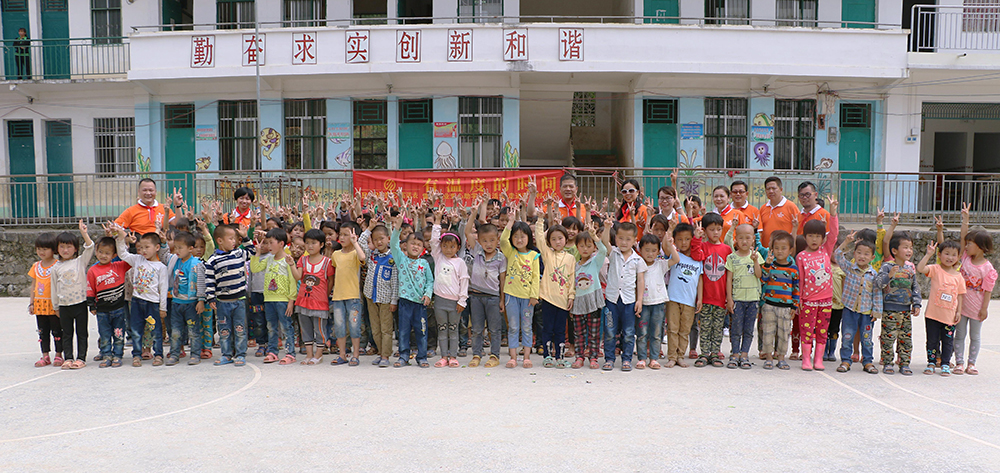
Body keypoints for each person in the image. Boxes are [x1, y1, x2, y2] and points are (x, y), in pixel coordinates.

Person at [109, 222, 169, 367]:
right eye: (141, 247)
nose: (143, 250)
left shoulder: (161, 267)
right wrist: (120, 238)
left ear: (157, 247)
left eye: (147, 247)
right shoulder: (137, 260)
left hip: (153, 303)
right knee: (136, 330)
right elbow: (123, 254)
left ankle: (158, 354)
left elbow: (163, 288)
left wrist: (163, 307)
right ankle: (137, 355)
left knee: (155, 330)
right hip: (137, 301)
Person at [795, 196, 840, 371]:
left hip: (826, 301)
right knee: (806, 330)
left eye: (818, 237)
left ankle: (818, 360)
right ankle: (806, 359)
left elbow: (834, 234)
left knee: (822, 331)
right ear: (805, 237)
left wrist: (833, 214)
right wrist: (799, 299)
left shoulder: (826, 251)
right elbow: (800, 279)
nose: (814, 240)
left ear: (822, 238)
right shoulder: (801, 257)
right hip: (808, 301)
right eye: (810, 236)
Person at [205, 224, 256, 367]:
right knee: (224, 330)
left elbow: (252, 251)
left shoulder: (239, 253)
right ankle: (226, 354)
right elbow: (210, 281)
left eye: (235, 238)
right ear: (220, 241)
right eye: (231, 238)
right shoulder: (212, 260)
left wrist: (245, 237)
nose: (234, 241)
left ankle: (240, 354)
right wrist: (210, 297)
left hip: (239, 300)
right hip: (222, 303)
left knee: (240, 329)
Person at [954, 204, 995, 375]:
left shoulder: (988, 268)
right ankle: (959, 362)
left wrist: (984, 309)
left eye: (970, 244)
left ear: (980, 246)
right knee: (959, 335)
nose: (966, 246)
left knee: (975, 336)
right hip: (960, 306)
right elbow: (963, 237)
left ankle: (971, 363)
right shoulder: (965, 258)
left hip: (977, 308)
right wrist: (965, 220)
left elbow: (988, 291)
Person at [834, 233, 883, 374]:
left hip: (867, 313)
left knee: (867, 338)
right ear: (854, 254)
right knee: (847, 336)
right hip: (849, 310)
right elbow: (837, 255)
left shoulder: (874, 275)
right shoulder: (849, 268)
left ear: (872, 257)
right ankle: (845, 360)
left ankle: (867, 361)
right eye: (859, 252)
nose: (862, 256)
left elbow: (877, 294)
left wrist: (877, 311)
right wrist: (846, 242)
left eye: (866, 254)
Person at [389, 214, 434, 368]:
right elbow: (393, 244)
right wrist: (397, 227)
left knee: (421, 331)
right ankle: (403, 356)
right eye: (412, 243)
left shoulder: (424, 263)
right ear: (406, 245)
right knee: (403, 331)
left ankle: (422, 357)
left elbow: (430, 281)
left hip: (420, 304)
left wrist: (428, 294)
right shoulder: (401, 259)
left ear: (423, 248)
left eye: (419, 245)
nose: (415, 247)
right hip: (405, 303)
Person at [463, 212, 507, 369]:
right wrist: (473, 213)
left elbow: (502, 280)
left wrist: (502, 299)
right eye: (485, 241)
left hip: (493, 298)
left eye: (492, 240)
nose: (489, 244)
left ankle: (494, 355)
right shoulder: (477, 251)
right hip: (476, 297)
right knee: (477, 328)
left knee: (494, 329)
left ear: (497, 240)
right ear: (479, 241)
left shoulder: (501, 258)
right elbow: (467, 232)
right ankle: (477, 354)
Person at [51, 220, 96, 370]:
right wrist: (56, 306)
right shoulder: (55, 268)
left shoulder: (80, 262)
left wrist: (84, 233)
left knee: (81, 332)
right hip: (64, 306)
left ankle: (81, 358)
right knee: (67, 333)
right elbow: (54, 288)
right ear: (57, 248)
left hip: (80, 303)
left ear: (75, 248)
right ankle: (68, 357)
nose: (65, 250)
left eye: (69, 246)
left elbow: (90, 247)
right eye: (62, 247)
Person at [874, 233, 921, 376]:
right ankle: (888, 363)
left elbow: (915, 287)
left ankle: (904, 363)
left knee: (905, 339)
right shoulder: (887, 267)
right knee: (888, 338)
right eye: (905, 247)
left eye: (910, 248)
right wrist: (889, 276)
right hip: (890, 310)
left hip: (905, 311)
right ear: (894, 251)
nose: (909, 251)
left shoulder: (910, 269)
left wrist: (916, 304)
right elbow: (878, 283)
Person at [250, 228, 298, 365]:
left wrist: (291, 300)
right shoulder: (269, 259)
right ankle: (273, 352)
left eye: (271, 243)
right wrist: (257, 253)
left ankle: (290, 353)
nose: (268, 246)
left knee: (286, 327)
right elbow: (255, 268)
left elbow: (292, 281)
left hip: (283, 300)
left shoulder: (287, 260)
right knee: (271, 327)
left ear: (281, 244)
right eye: (267, 243)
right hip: (269, 299)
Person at [601, 221, 645, 372]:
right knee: (610, 331)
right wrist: (607, 228)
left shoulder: (638, 260)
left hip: (629, 301)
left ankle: (626, 359)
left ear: (634, 240)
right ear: (616, 239)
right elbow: (604, 241)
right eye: (620, 238)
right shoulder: (613, 253)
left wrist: (639, 300)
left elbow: (640, 281)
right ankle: (609, 359)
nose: (624, 242)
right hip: (612, 300)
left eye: (628, 239)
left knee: (628, 332)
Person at [917, 240, 965, 377]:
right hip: (933, 314)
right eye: (946, 253)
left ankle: (945, 364)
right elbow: (920, 268)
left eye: (954, 255)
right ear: (939, 254)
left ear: (958, 257)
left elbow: (960, 295)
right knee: (932, 341)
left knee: (948, 341)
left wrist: (959, 311)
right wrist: (928, 254)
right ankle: (931, 362)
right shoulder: (935, 269)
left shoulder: (959, 277)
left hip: (949, 316)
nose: (950, 257)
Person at [535, 212, 576, 369]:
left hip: (563, 300)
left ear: (566, 239)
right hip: (547, 298)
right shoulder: (547, 254)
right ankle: (547, 356)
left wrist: (571, 296)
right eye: (553, 239)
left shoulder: (571, 258)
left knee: (560, 330)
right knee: (547, 329)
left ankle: (559, 357)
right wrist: (540, 220)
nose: (557, 242)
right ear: (549, 241)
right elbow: (539, 238)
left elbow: (571, 278)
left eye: (560, 238)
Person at [430, 210, 470, 368]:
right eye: (445, 246)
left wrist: (462, 301)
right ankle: (443, 357)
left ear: (458, 247)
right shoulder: (438, 257)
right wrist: (437, 222)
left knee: (453, 329)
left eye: (452, 246)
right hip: (440, 301)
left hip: (455, 303)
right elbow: (434, 241)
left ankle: (453, 356)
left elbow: (464, 282)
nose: (448, 249)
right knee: (442, 329)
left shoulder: (460, 263)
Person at [500, 216, 540, 368]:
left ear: (529, 237)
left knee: (527, 327)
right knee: (513, 327)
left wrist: (534, 296)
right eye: (515, 236)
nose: (519, 239)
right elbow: (503, 240)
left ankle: (527, 357)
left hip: (528, 298)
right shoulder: (511, 252)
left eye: (522, 236)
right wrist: (510, 222)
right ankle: (513, 357)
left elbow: (536, 277)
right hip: (511, 296)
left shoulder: (534, 255)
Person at [359, 223, 400, 368]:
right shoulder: (371, 255)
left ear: (388, 238)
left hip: (386, 299)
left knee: (386, 329)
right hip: (371, 296)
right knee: (375, 328)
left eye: (381, 238)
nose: (379, 242)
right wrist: (368, 229)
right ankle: (381, 352)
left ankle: (385, 355)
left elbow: (395, 281)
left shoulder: (393, 258)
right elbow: (360, 242)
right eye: (375, 239)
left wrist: (394, 300)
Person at [637, 232, 680, 370]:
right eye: (647, 250)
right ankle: (642, 358)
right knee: (642, 333)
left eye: (654, 250)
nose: (650, 254)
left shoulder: (660, 264)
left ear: (658, 251)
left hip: (658, 303)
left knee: (656, 333)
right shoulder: (638, 264)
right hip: (643, 304)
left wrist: (671, 245)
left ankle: (654, 359)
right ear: (640, 250)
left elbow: (676, 259)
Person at [86, 237, 130, 368]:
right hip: (102, 310)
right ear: (96, 251)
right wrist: (91, 305)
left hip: (119, 309)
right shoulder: (93, 270)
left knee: (119, 333)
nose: (103, 255)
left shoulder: (120, 266)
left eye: (107, 253)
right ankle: (106, 355)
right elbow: (90, 288)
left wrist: (123, 241)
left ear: (114, 255)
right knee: (104, 334)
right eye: (100, 252)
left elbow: (130, 259)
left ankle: (118, 355)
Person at [291, 229, 334, 365]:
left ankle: (318, 355)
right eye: (307, 243)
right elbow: (298, 276)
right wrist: (291, 264)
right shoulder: (302, 260)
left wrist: (324, 295)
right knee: (306, 329)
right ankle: (309, 355)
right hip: (303, 301)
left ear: (321, 244)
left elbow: (330, 281)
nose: (310, 246)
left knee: (320, 329)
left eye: (313, 243)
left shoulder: (327, 262)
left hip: (320, 303)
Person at [570, 220, 608, 369]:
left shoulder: (595, 262)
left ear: (593, 247)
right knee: (579, 333)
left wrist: (595, 237)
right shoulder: (574, 265)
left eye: (588, 245)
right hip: (579, 302)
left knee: (594, 333)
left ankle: (593, 357)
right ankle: (579, 357)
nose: (585, 249)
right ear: (577, 247)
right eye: (581, 246)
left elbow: (603, 250)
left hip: (593, 301)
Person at [164, 232, 206, 366]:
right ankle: (174, 354)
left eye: (180, 248)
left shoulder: (196, 264)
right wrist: (163, 242)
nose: (177, 250)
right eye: (175, 247)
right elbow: (164, 255)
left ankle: (195, 354)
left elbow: (201, 283)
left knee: (193, 331)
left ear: (190, 248)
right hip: (176, 302)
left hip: (191, 303)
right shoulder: (174, 260)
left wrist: (201, 300)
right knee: (175, 331)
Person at [694, 213, 730, 368]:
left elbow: (729, 276)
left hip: (720, 297)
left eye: (719, 229)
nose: (716, 232)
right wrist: (697, 239)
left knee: (718, 327)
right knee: (705, 327)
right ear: (705, 230)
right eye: (712, 229)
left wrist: (729, 297)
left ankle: (715, 353)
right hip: (706, 297)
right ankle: (704, 353)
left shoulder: (727, 249)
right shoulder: (703, 247)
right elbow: (696, 256)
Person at [725, 223, 763, 370]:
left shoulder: (756, 256)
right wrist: (729, 299)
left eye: (748, 238)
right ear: (736, 239)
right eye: (741, 238)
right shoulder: (731, 258)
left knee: (748, 329)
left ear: (753, 239)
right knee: (736, 328)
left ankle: (744, 355)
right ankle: (735, 354)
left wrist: (755, 261)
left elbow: (759, 275)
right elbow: (729, 279)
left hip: (753, 299)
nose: (744, 241)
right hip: (738, 299)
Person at [760, 230, 798, 370]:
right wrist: (767, 265)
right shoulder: (770, 265)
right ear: (772, 249)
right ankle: (769, 358)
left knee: (783, 333)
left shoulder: (793, 269)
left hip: (786, 307)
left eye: (783, 248)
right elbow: (763, 279)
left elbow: (796, 289)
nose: (779, 251)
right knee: (768, 332)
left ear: (790, 250)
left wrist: (794, 306)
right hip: (769, 305)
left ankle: (781, 358)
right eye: (776, 248)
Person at [329, 222, 366, 366]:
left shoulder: (355, 253)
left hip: (353, 296)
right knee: (339, 326)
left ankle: (355, 355)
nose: (342, 238)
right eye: (341, 234)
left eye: (346, 235)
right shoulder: (336, 254)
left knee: (354, 326)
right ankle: (342, 354)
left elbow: (363, 257)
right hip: (338, 296)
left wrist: (355, 242)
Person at [29, 233, 63, 368]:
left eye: (45, 249)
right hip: (40, 304)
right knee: (42, 331)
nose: (41, 252)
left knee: (57, 330)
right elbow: (33, 285)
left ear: (53, 249)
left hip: (53, 304)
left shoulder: (58, 265)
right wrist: (31, 303)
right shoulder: (36, 266)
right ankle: (45, 356)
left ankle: (59, 354)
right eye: (39, 249)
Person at [115, 178, 182, 235]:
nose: (148, 193)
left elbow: (178, 225)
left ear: (155, 192)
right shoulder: (130, 211)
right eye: (144, 190)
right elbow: (116, 228)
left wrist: (178, 205)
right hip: (139, 244)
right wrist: (127, 238)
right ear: (139, 192)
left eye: (151, 190)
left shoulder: (164, 208)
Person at [759, 176, 799, 248]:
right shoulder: (763, 208)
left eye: (774, 188)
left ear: (781, 189)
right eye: (768, 189)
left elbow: (798, 228)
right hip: (766, 250)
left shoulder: (791, 207)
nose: (771, 191)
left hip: (784, 250)